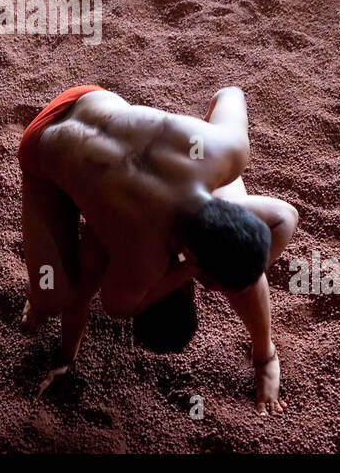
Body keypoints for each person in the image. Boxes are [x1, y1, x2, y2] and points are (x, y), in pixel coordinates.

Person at [18, 85, 298, 416]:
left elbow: (230, 93)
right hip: (42, 147)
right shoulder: (139, 256)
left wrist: (195, 136)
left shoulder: (228, 149)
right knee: (50, 296)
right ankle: (40, 294)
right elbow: (102, 300)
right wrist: (65, 360)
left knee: (232, 251)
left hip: (94, 106)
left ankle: (264, 352)